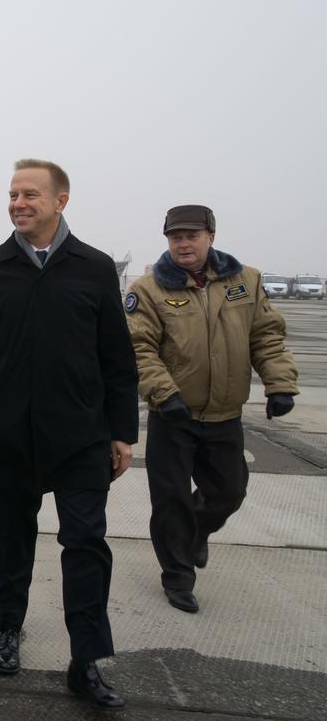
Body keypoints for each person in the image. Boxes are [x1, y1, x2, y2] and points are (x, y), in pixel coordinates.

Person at [0, 159, 139, 711]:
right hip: (9, 433)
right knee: (9, 539)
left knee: (85, 543)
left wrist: (123, 431)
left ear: (61, 201)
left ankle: (86, 659)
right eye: (12, 194)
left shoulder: (95, 268)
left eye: (30, 194)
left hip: (81, 435)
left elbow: (117, 359)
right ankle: (9, 626)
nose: (18, 203)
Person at [125, 205, 298, 613]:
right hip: (173, 417)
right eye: (175, 237)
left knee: (229, 491)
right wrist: (165, 393)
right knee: (170, 502)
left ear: (211, 237)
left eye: (192, 236)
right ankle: (178, 577)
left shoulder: (245, 282)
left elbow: (266, 337)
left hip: (224, 414)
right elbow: (139, 349)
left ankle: (196, 533)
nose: (184, 244)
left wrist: (280, 384)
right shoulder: (149, 290)